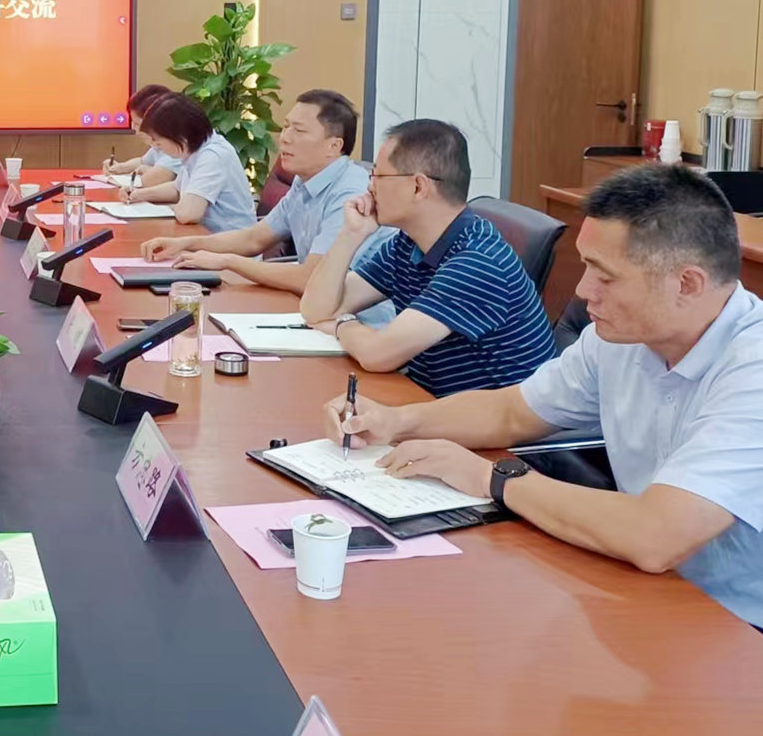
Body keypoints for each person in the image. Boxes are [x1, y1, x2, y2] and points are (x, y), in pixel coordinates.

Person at [325, 164, 763, 629]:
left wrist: (493, 479)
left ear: (687, 284)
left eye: (605, 277)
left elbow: (657, 536)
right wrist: (395, 421)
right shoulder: (622, 338)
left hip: (733, 627)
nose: (583, 291)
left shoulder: (751, 370)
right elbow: (512, 411)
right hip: (637, 588)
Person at [300, 119, 554, 396]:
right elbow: (316, 310)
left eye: (378, 176)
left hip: (493, 419)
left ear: (418, 187)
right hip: (430, 400)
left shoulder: (477, 261)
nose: (369, 187)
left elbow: (377, 354)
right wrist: (350, 234)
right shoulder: (407, 243)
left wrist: (343, 324)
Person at [140, 89, 393, 298]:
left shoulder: (349, 194)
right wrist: (186, 243)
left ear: (333, 146)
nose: (285, 138)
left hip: (358, 324)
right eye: (286, 127)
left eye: (299, 131)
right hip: (314, 308)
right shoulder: (304, 182)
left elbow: (312, 278)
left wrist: (228, 261)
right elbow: (254, 239)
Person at [121, 93, 258, 233]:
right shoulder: (195, 150)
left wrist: (170, 208)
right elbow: (177, 189)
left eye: (158, 141)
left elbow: (188, 214)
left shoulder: (212, 156)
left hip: (231, 242)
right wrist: (139, 194)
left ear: (179, 135)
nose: (155, 145)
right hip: (206, 236)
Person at [102, 83, 184, 187]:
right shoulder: (159, 144)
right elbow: (144, 161)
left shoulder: (177, 144)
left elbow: (156, 179)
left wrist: (146, 171)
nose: (133, 127)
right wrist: (120, 168)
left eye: (137, 124)